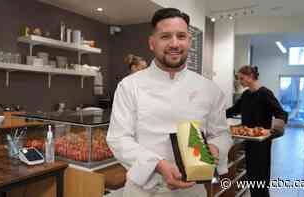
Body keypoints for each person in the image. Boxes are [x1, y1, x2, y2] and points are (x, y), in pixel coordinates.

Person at [107, 8, 233, 197]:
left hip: (192, 190)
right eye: (165, 36)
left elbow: (221, 134)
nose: (174, 43)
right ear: (152, 43)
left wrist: (214, 149)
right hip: (143, 190)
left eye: (181, 36)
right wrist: (158, 165)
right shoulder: (129, 86)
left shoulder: (209, 89)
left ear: (189, 42)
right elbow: (118, 138)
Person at [226, 65, 288, 197]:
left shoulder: (265, 93)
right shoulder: (246, 95)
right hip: (249, 141)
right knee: (252, 174)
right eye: (239, 79)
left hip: (262, 142)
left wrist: (275, 128)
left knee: (260, 175)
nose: (240, 82)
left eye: (241, 78)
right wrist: (216, 115)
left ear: (250, 77)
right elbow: (233, 110)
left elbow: (281, 113)